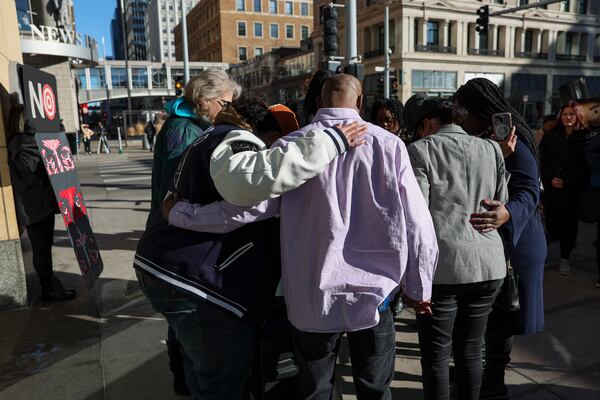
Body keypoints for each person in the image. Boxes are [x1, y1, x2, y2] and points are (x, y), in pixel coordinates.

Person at [165, 74, 439, 400]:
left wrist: (180, 213)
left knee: (314, 390)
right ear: (361, 102)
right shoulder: (389, 146)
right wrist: (418, 286)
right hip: (375, 296)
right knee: (375, 388)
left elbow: (245, 210)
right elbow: (418, 224)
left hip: (312, 297)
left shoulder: (292, 145)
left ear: (320, 102)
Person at [135, 88, 367, 399]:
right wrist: (331, 143)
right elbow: (253, 194)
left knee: (202, 370)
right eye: (280, 143)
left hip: (174, 270)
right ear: (270, 135)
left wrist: (178, 211)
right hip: (201, 283)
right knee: (223, 382)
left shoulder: (209, 138)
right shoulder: (238, 141)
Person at [145, 69, 241, 396]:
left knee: (188, 330)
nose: (230, 109)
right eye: (225, 103)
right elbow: (178, 190)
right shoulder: (182, 129)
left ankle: (188, 383)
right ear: (204, 100)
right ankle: (187, 384)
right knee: (190, 329)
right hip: (177, 239)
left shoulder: (193, 125)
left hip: (179, 235)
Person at [407, 98, 508, 400]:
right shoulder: (491, 148)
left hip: (443, 268)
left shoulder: (421, 150)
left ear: (427, 123)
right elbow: (499, 201)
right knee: (471, 350)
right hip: (488, 263)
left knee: (436, 355)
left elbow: (416, 215)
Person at [453, 78, 546, 400]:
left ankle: (493, 381)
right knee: (487, 317)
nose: (458, 116)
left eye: (462, 109)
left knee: (502, 317)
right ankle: (479, 372)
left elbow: (529, 191)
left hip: (516, 241)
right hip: (496, 238)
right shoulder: (485, 139)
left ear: (480, 108)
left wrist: (507, 213)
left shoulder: (516, 141)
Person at [7, 105, 76, 302]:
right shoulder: (20, 143)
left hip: (39, 203)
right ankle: (48, 287)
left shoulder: (23, 141)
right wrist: (33, 138)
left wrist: (57, 136)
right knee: (41, 247)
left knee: (45, 245)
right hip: (33, 205)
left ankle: (50, 284)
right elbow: (29, 166)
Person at [539, 105, 591, 275]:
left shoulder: (584, 138)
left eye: (572, 115)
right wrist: (550, 179)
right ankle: (544, 256)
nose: (568, 117)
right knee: (547, 225)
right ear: (560, 117)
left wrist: (567, 181)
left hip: (571, 192)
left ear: (577, 117)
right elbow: (542, 160)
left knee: (569, 227)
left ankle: (564, 259)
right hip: (551, 190)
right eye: (565, 114)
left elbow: (585, 166)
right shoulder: (551, 136)